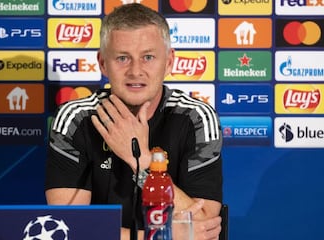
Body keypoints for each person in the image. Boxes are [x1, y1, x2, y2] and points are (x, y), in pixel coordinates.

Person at [45, 3, 223, 240]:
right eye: (122, 58)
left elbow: (205, 226)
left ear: (169, 62)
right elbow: (66, 227)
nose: (135, 71)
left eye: (148, 57)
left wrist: (141, 160)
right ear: (102, 63)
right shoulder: (75, 120)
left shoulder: (197, 118)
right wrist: (160, 237)